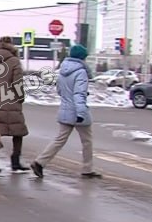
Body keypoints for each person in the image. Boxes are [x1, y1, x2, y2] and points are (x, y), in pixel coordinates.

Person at [30, 44, 102, 179]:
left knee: (59, 140)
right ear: (82, 58)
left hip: (65, 110)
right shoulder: (81, 72)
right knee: (87, 141)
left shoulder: (63, 70)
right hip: (77, 112)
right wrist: (80, 113)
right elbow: (79, 94)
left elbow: (59, 90)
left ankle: (39, 162)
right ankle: (87, 169)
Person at [0, 36, 29, 173]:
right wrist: (20, 97)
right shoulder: (15, 61)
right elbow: (18, 83)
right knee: (18, 132)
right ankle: (15, 161)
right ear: (11, 46)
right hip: (12, 100)